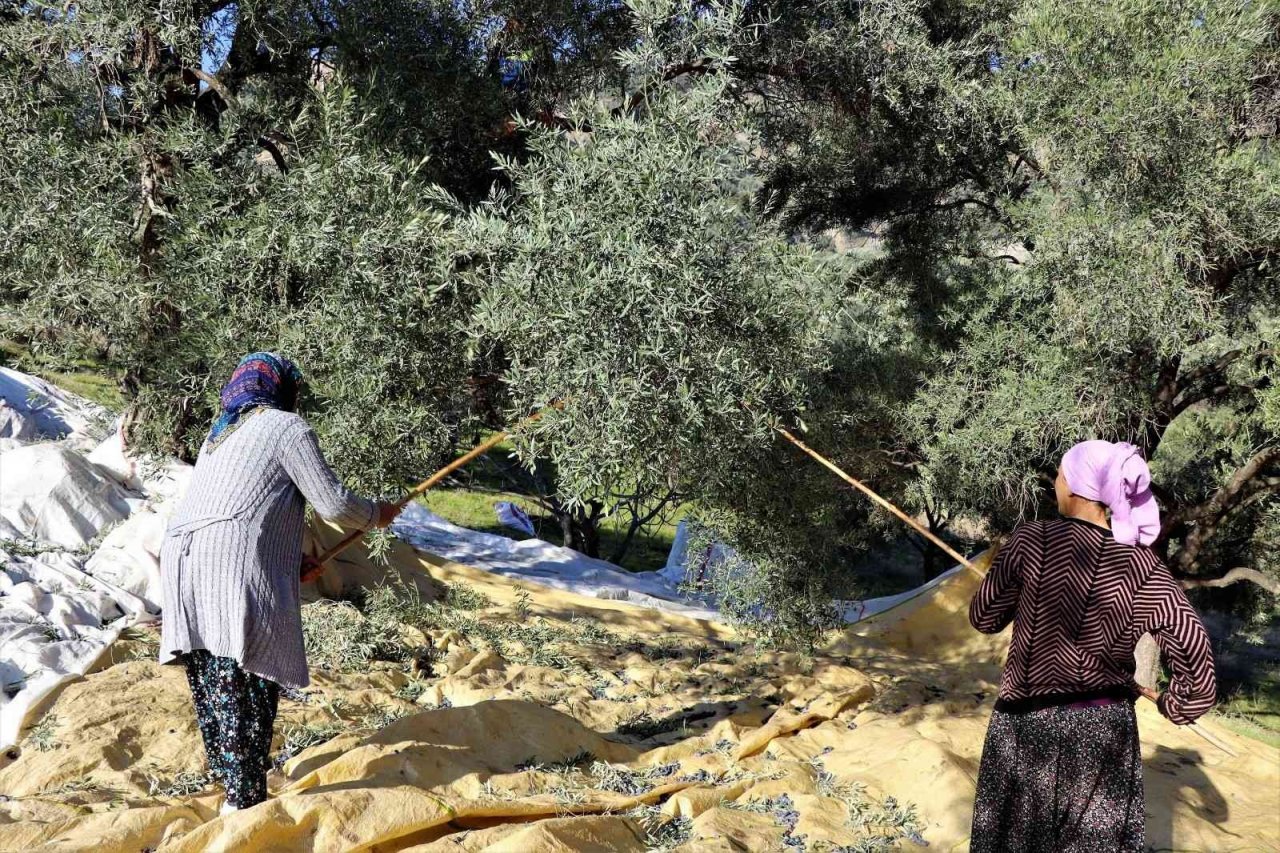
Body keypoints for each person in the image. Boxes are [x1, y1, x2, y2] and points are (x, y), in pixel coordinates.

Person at [158, 352, 399, 813]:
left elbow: (243, 506)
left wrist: (292, 560)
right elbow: (332, 504)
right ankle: (244, 804)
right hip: (230, 563)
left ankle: (234, 784)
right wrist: (377, 514)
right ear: (285, 389)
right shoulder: (287, 427)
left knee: (214, 672)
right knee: (246, 673)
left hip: (183, 560)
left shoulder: (219, 435)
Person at [968, 439, 1216, 852]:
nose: (1056, 486)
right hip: (1103, 734)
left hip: (1025, 729)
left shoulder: (1031, 540)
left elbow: (984, 618)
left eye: (1061, 476)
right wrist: (1177, 703)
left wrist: (1008, 576)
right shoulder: (1145, 566)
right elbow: (1191, 645)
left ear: (1077, 486)